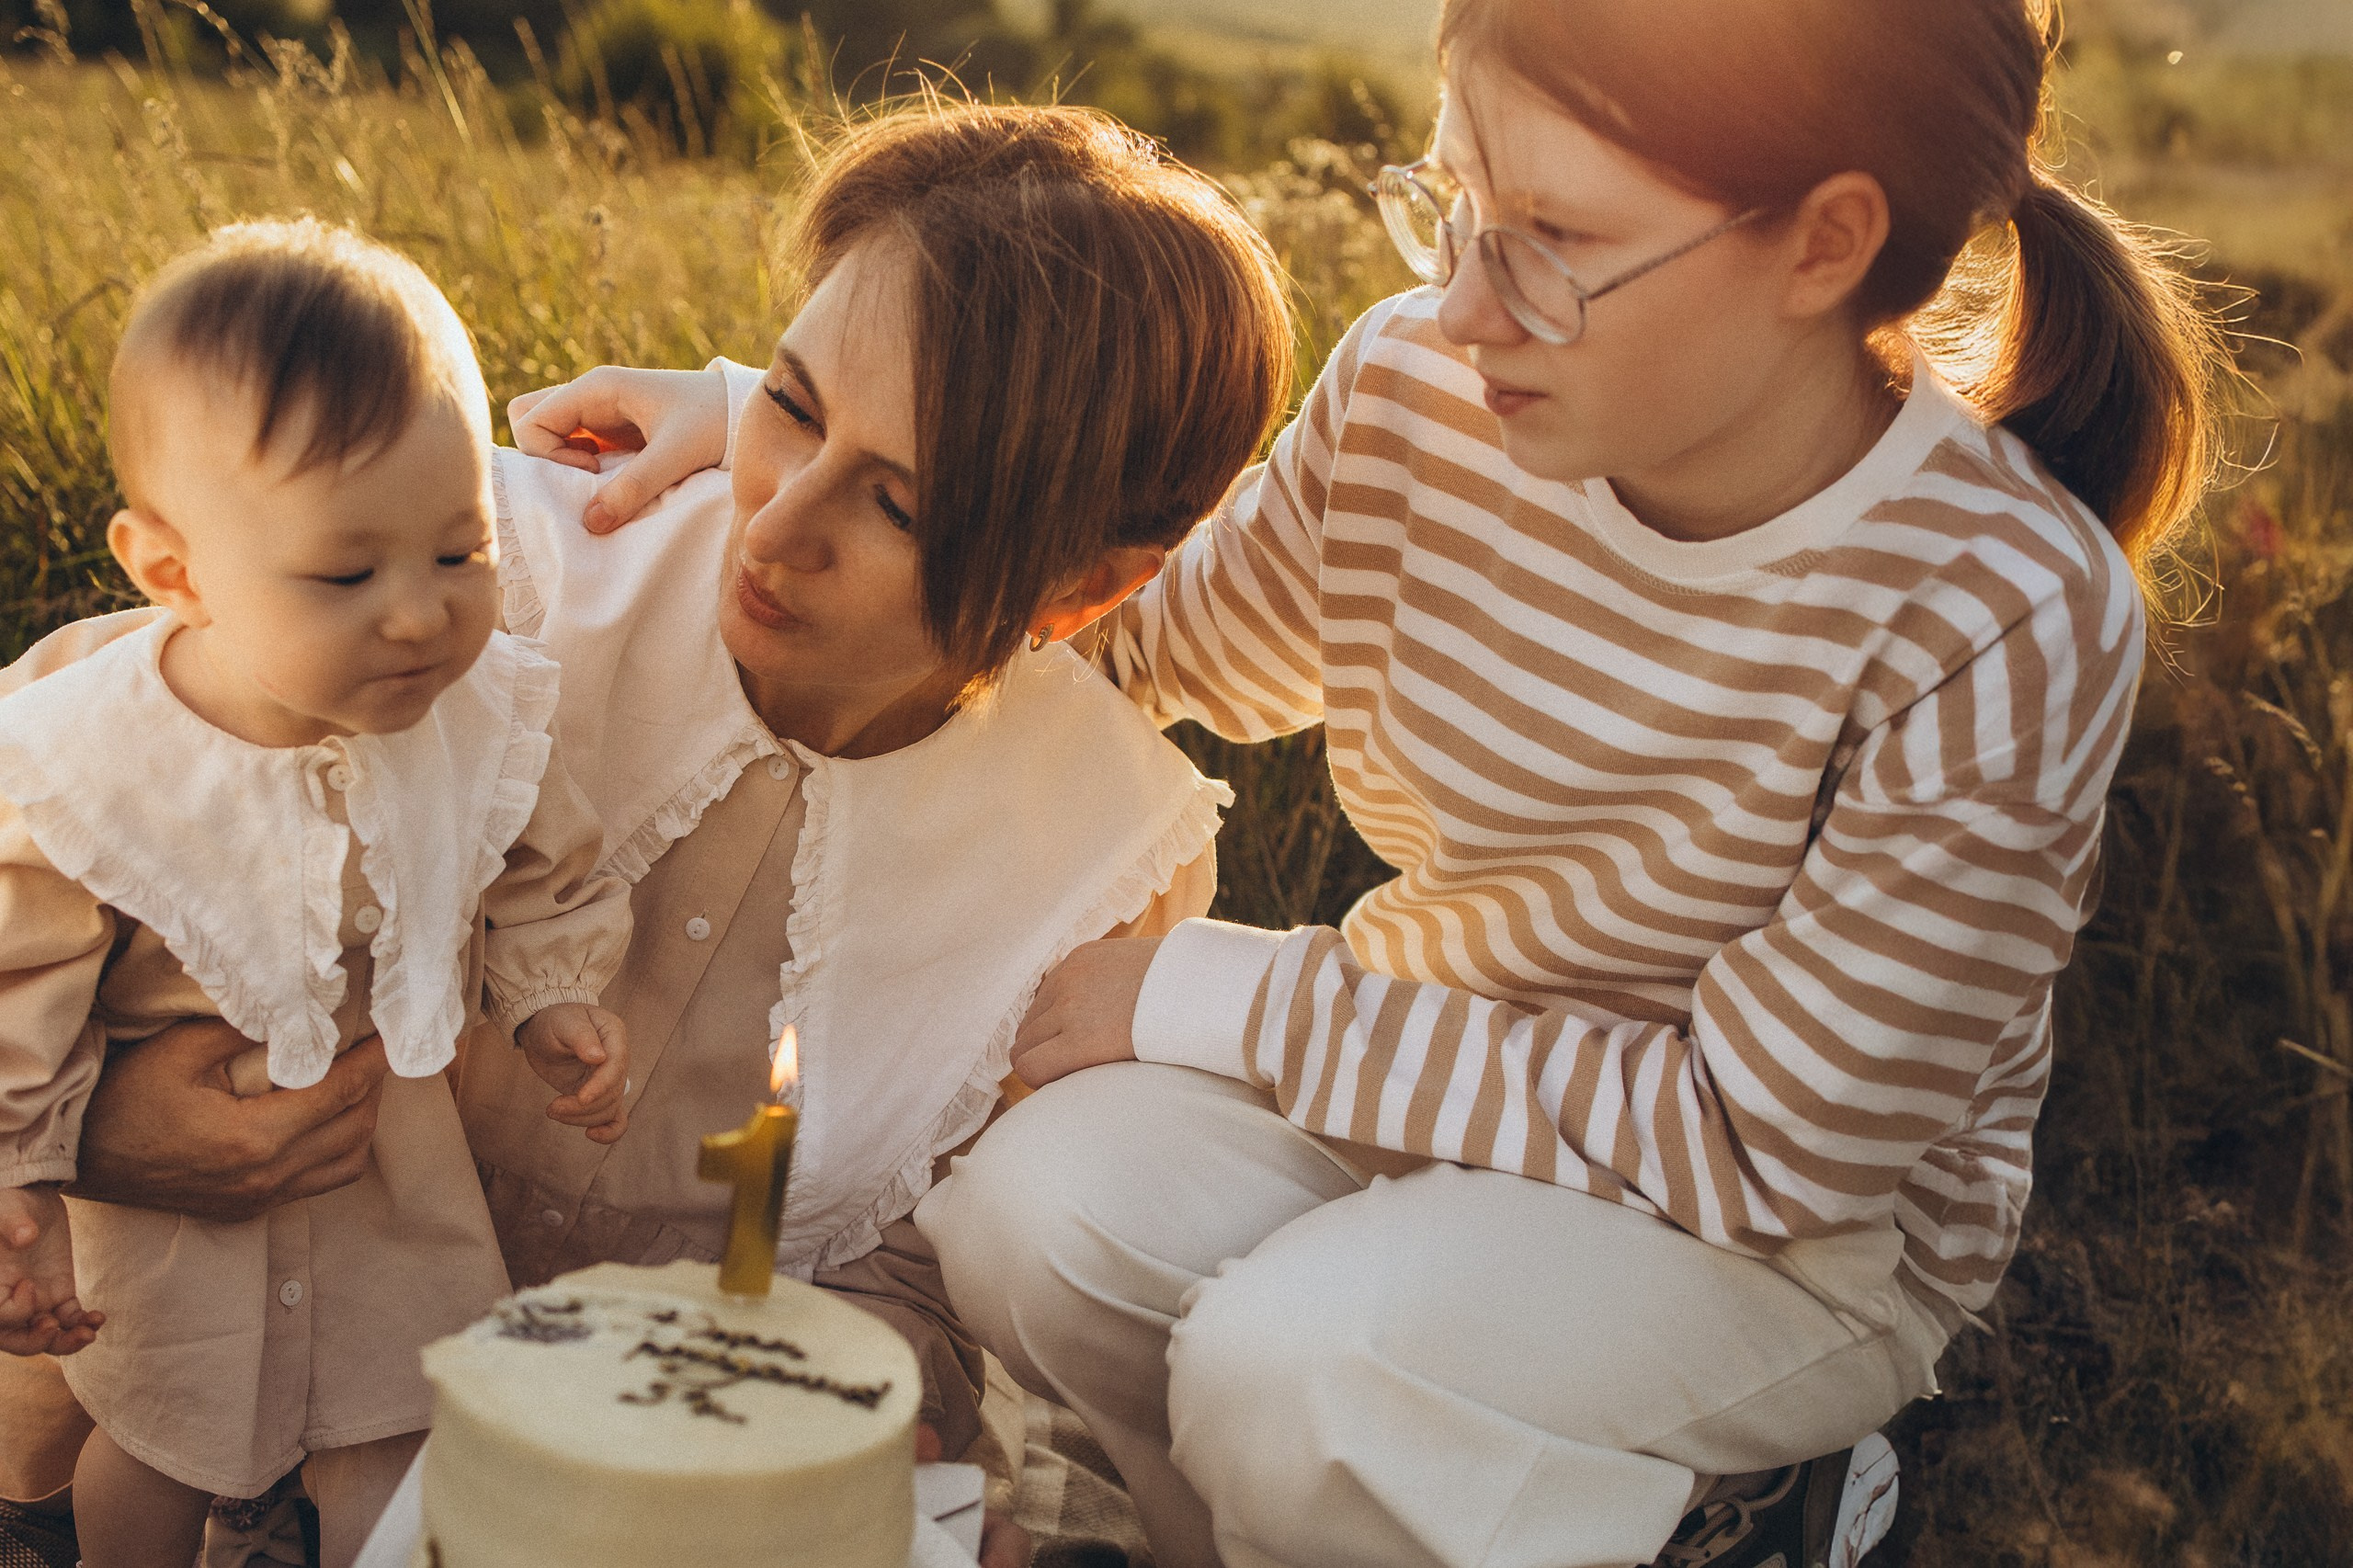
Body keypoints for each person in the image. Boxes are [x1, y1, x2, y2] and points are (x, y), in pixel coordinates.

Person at [566, 4, 2229, 1565]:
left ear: (1824, 244)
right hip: (1436, 1083)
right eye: (1454, 204)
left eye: (1554, 245)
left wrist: (1228, 998)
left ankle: (1742, 1496)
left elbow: (1770, 1146)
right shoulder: (1420, 398)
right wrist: (803, 433)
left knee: (1298, 1380)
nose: (1461, 307)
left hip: (1786, 1239)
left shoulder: (1997, 608)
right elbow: (1124, 639)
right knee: (1022, 1221)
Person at [0, 102, 1293, 1568]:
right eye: (790, 405)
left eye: (901, 505)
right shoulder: (487, 579)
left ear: (1083, 588)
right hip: (244, 1367)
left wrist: (838, 1423)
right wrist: (98, 1128)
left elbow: (923, 1278)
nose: (774, 527)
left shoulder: (1097, 862)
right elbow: (70, 777)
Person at [0, 221, 634, 1568]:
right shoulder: (102, 756)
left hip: (390, 1165)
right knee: (161, 1439)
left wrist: (551, 996)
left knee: (397, 1436)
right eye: (347, 574)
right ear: (173, 572)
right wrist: (21, 1170)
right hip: (174, 1215)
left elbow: (540, 855)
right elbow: (24, 966)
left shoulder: (475, 712)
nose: (418, 615)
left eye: (460, 552)